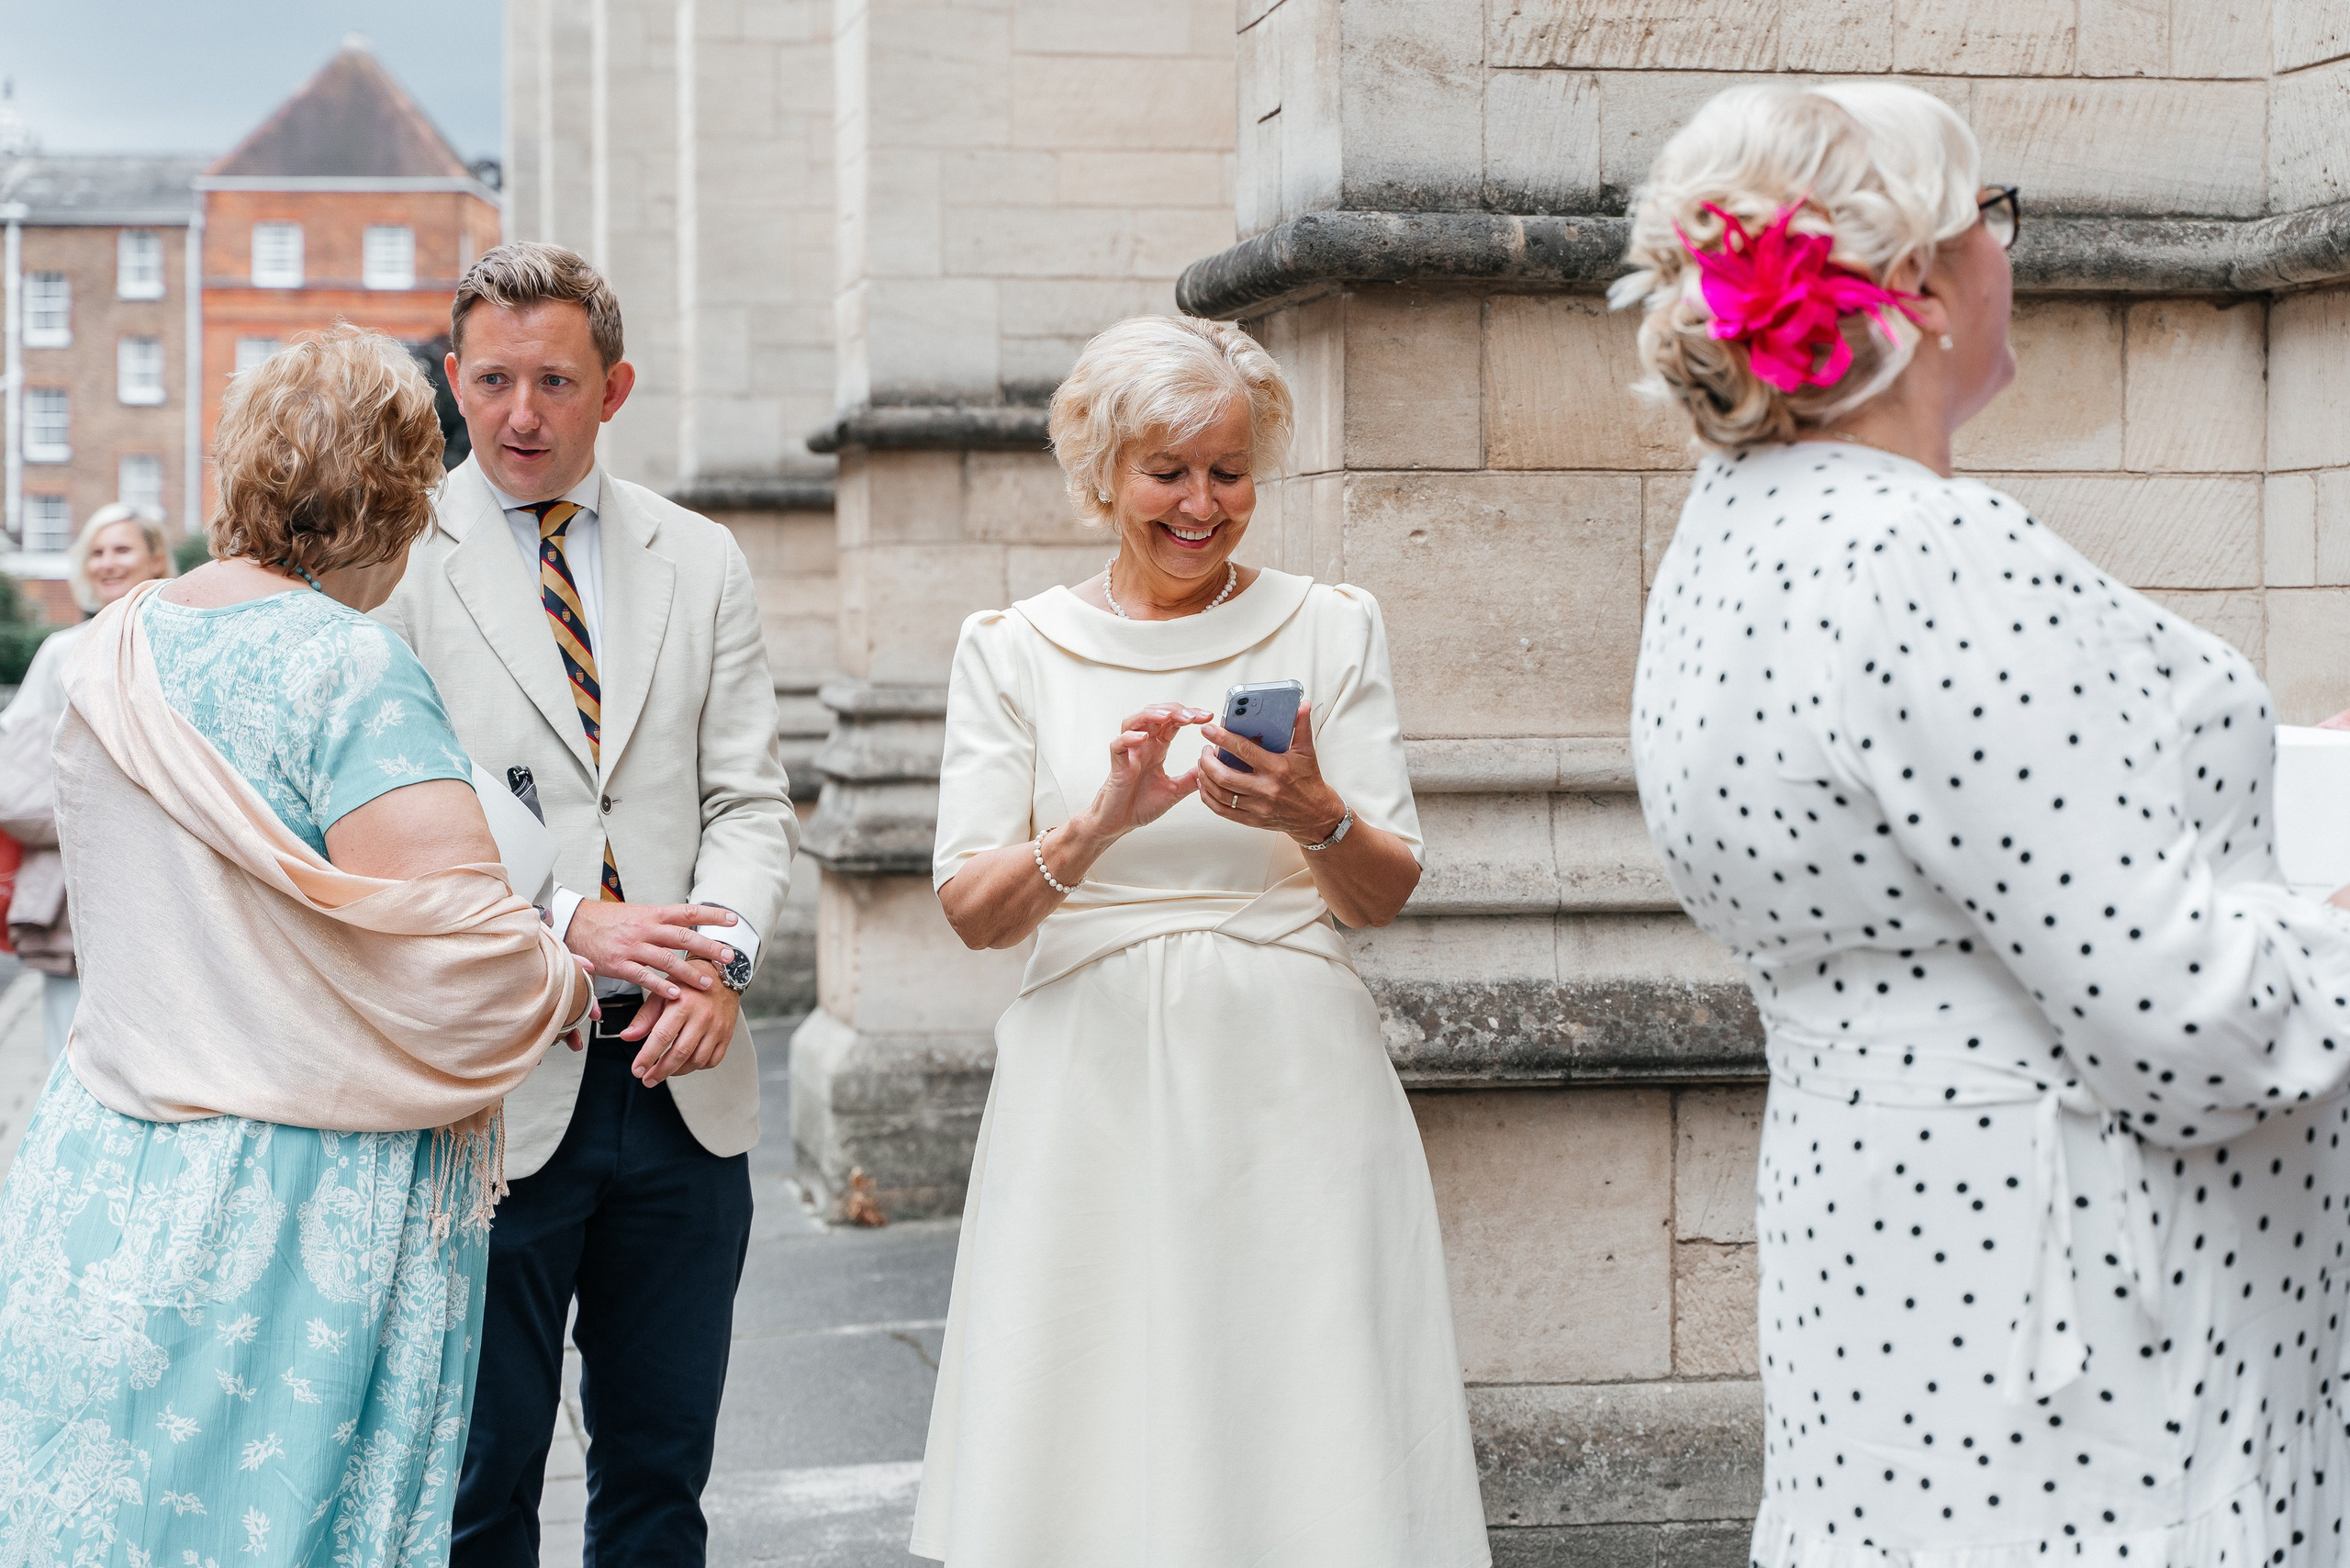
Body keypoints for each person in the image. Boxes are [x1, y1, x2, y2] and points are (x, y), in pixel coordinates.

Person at [1618, 81, 2350, 1564]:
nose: (2010, 253)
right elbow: (2183, 1016)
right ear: (1923, 287)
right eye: (1991, 221)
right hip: (2084, 1331)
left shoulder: (1745, 530)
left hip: (1892, 1271)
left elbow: (1945, 857)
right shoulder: (1932, 560)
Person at [0, 325, 590, 1562]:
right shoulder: (348, 667)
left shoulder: (107, 652)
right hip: (284, 1209)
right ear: (393, 495)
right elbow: (471, 967)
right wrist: (565, 970)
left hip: (100, 1170)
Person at [912, 315, 1489, 1567]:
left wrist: (1313, 812)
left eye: (1227, 470)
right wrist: (1099, 824)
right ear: (1105, 470)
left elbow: (1380, 893)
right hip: (1090, 1092)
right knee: (1091, 1412)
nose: (1201, 502)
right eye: (1167, 470)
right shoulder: (1012, 651)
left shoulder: (1331, 626)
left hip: (1295, 1086)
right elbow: (971, 910)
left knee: (1303, 1407)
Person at [374, 241, 797, 1564]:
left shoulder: (703, 556)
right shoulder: (396, 564)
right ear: (456, 378)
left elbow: (749, 802)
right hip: (495, 1086)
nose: (520, 414)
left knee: (660, 1480)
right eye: (492, 380)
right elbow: (391, 819)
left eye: (555, 381)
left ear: (614, 390)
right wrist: (563, 914)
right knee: (478, 1485)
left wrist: (714, 963)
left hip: (683, 1083)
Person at [0, 502, 172, 1059]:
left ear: (157, 559)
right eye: (96, 552)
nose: (107, 562)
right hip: (75, 884)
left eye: (121, 548)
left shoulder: (177, 642)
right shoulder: (60, 652)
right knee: (67, 1049)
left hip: (164, 879)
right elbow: (14, 774)